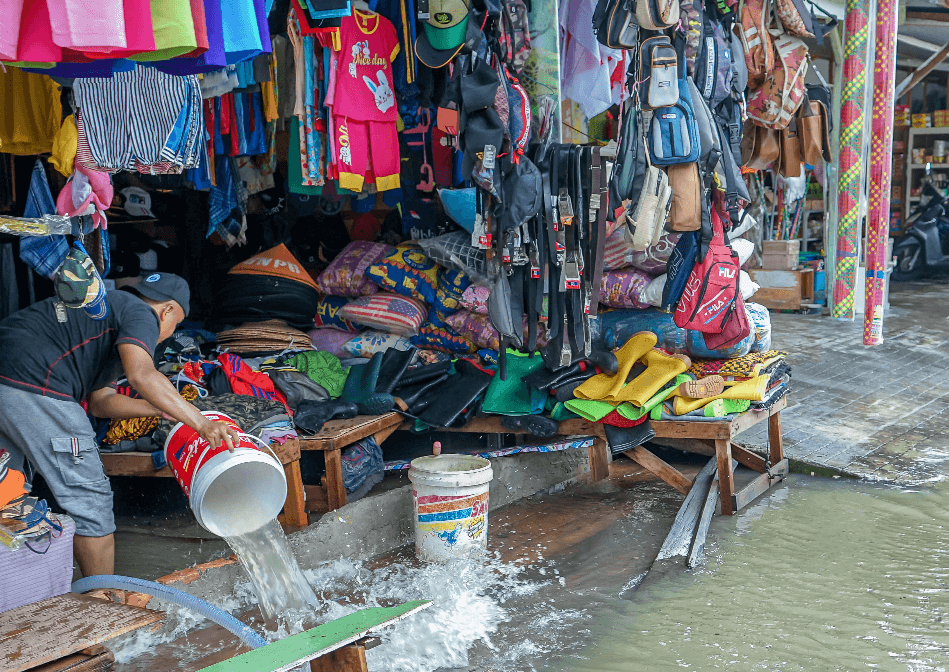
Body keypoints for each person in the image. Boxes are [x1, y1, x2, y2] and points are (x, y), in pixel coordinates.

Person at [0, 272, 239, 577]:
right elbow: (143, 375)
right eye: (175, 324)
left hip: (9, 381)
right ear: (166, 311)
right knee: (91, 501)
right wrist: (202, 424)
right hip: (35, 383)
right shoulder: (141, 312)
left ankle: (18, 596)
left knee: (9, 497)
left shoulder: (106, 316)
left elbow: (101, 402)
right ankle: (102, 601)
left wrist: (158, 407)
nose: (167, 333)